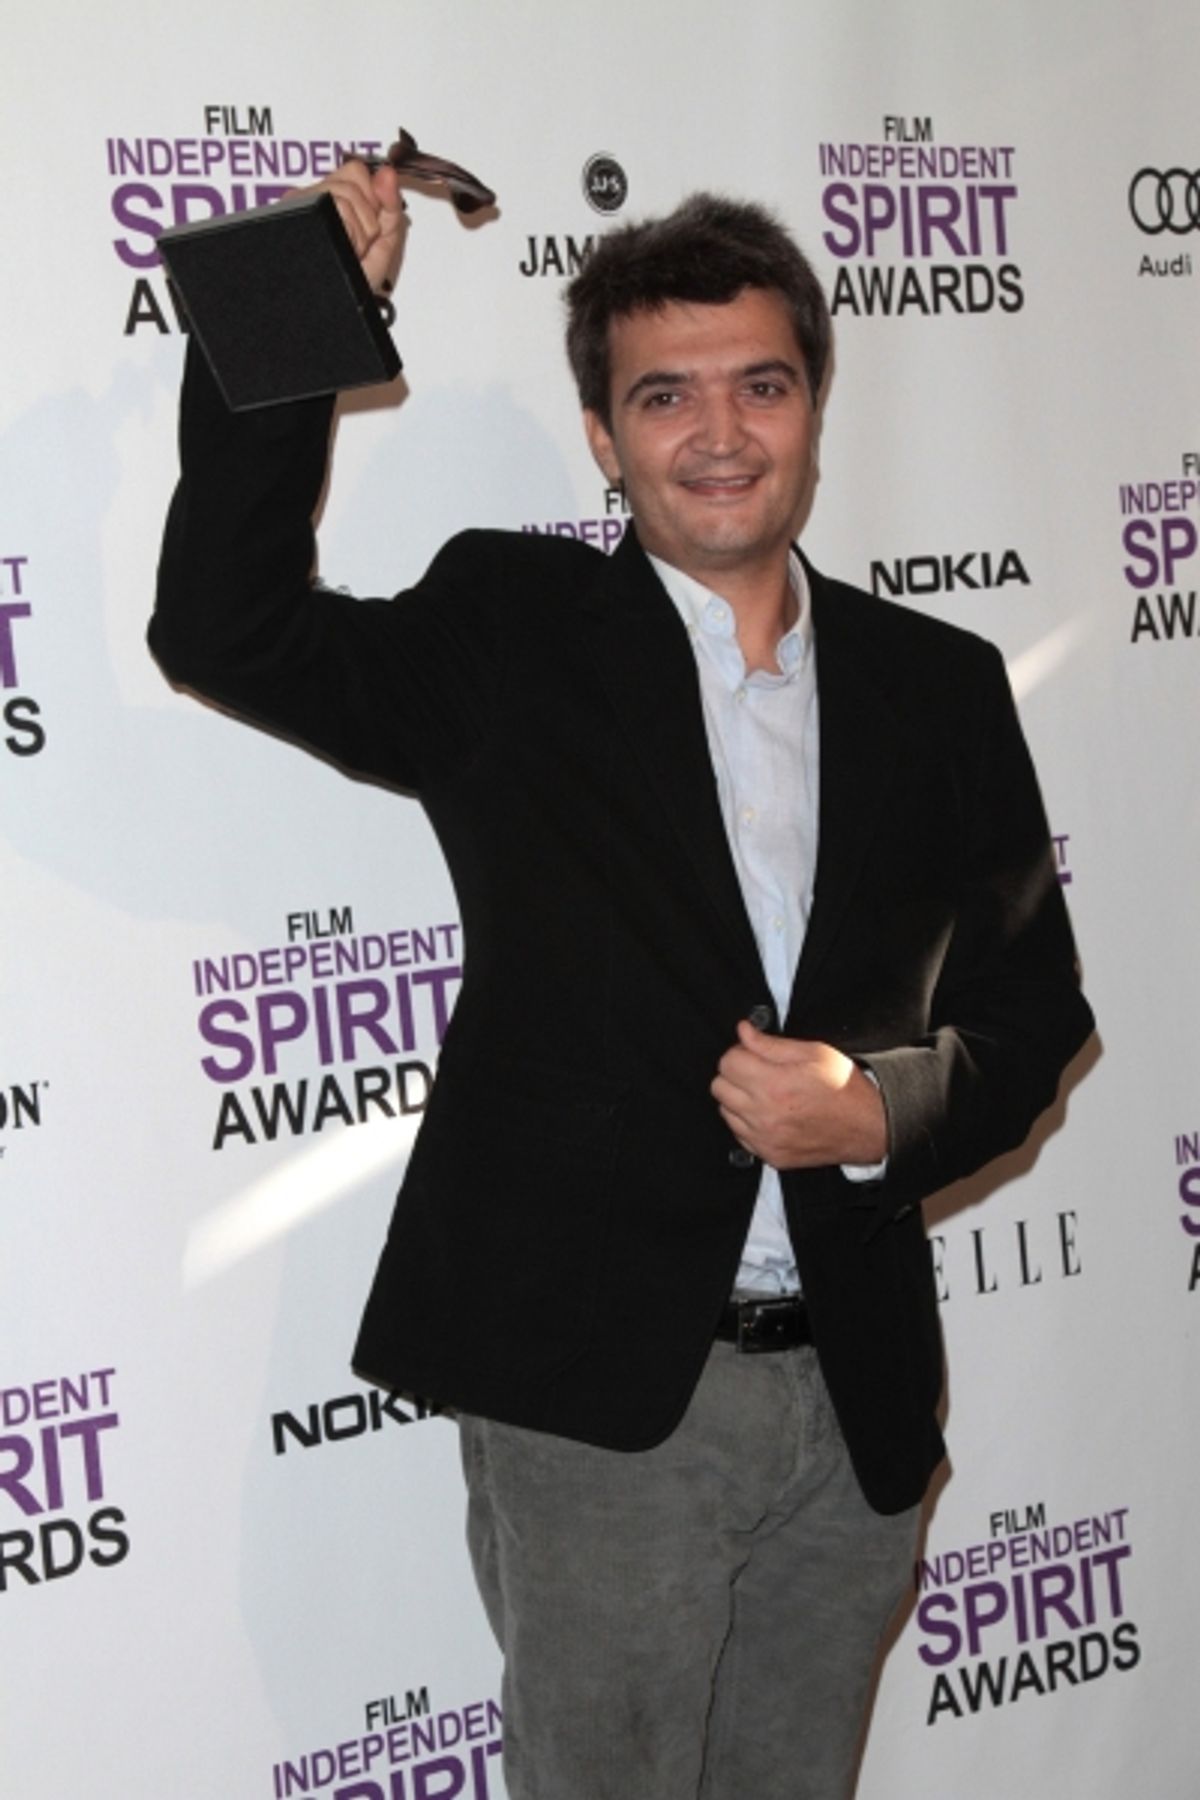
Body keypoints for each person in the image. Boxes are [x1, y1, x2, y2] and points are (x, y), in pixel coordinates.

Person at [151, 160, 1094, 1800]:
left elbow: (1032, 1016)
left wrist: (871, 1108)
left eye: (761, 385)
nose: (719, 433)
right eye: (666, 396)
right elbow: (226, 628)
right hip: (600, 1408)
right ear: (604, 434)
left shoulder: (936, 686)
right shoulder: (511, 628)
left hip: (857, 1402)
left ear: (812, 405)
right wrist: (300, 299)